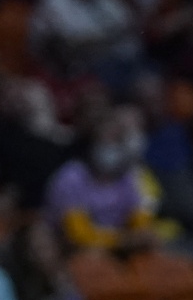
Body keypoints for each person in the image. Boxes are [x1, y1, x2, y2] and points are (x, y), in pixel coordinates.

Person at [46, 106, 178, 252]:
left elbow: (140, 224)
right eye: (107, 139)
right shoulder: (71, 177)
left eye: (118, 139)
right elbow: (78, 236)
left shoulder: (129, 177)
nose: (113, 145)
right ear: (92, 141)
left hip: (118, 250)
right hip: (73, 252)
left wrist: (140, 236)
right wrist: (126, 240)